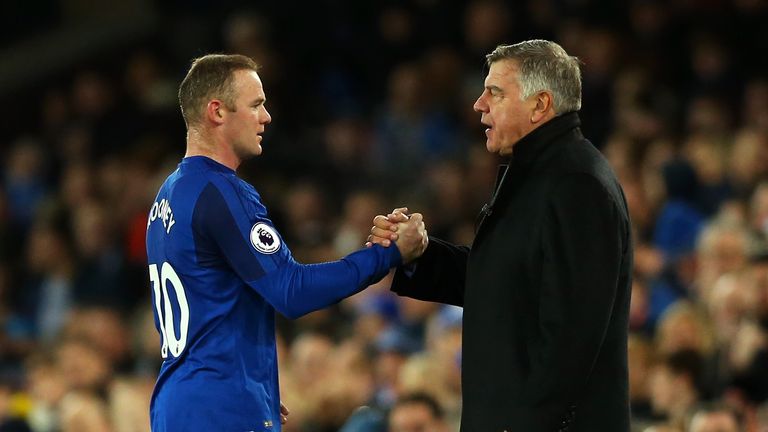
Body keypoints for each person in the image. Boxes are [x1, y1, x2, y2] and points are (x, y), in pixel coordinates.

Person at [369, 40, 633, 431]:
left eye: (494, 92)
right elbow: (504, 284)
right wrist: (418, 253)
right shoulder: (538, 174)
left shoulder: (577, 185)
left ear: (540, 105)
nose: (479, 104)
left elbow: (572, 335)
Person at [145, 54, 405, 432]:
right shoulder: (220, 191)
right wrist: (389, 254)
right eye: (256, 105)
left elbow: (206, 305)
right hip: (218, 407)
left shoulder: (166, 197)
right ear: (217, 111)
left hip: (178, 403)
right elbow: (291, 290)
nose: (266, 117)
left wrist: (252, 384)